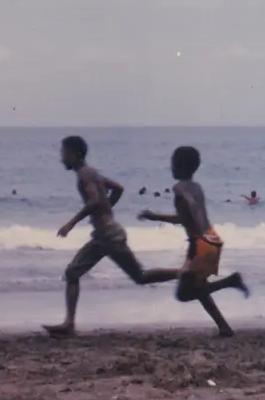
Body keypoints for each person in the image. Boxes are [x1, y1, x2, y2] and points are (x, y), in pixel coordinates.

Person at [43, 136, 175, 337]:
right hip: (108, 233)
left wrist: (71, 223)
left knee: (76, 273)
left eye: (64, 153)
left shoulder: (84, 175)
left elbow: (94, 200)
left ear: (75, 154)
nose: (61, 158)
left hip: (107, 236)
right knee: (136, 276)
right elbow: (118, 189)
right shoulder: (92, 172)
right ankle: (69, 323)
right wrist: (106, 210)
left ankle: (184, 273)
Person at [139, 146, 249, 336]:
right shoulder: (197, 187)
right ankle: (224, 327)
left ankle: (228, 281)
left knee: (184, 293)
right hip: (211, 238)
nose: (171, 167)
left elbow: (183, 217)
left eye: (173, 163)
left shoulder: (179, 189)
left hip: (200, 244)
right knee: (199, 288)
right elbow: (191, 214)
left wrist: (154, 216)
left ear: (179, 166)